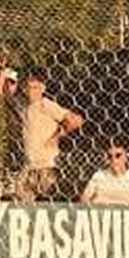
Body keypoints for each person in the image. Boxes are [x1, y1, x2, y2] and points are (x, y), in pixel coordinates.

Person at [14, 68, 84, 202]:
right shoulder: (24, 107)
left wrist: (57, 136)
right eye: (28, 87)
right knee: (21, 200)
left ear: (42, 88)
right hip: (30, 166)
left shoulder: (45, 104)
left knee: (47, 203)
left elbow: (77, 120)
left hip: (46, 165)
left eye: (35, 87)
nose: (31, 91)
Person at [80, 141, 129, 206]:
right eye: (109, 156)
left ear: (126, 157)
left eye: (118, 155)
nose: (113, 160)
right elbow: (85, 197)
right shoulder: (99, 175)